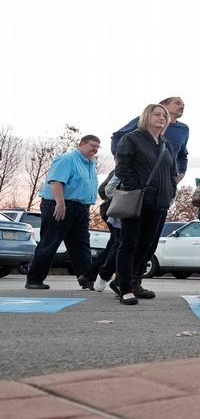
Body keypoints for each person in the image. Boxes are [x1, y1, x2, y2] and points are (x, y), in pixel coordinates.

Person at [113, 104, 178, 305]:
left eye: (164, 115)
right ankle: (125, 288)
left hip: (160, 202)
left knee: (148, 245)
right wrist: (136, 188)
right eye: (157, 114)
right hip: (137, 200)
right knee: (129, 243)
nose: (162, 117)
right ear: (146, 117)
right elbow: (122, 167)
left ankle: (135, 281)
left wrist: (171, 191)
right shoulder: (131, 139)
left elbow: (171, 172)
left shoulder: (166, 144)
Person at [24, 136, 101, 291]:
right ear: (81, 144)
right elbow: (56, 181)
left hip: (81, 208)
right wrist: (60, 203)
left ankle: (87, 279)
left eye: (98, 147)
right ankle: (34, 280)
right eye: (92, 145)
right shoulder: (67, 159)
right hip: (60, 205)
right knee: (50, 242)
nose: (95, 149)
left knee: (81, 245)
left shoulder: (90, 164)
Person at [112, 96, 189, 184]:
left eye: (183, 105)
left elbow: (182, 154)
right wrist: (118, 159)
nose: (182, 106)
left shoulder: (184, 129)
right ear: (164, 105)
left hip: (165, 181)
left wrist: (181, 173)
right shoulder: (144, 120)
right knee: (115, 194)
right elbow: (117, 137)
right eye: (178, 103)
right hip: (135, 176)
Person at [82, 172, 120, 292]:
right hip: (115, 209)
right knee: (117, 244)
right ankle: (102, 275)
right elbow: (103, 190)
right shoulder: (120, 167)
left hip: (114, 209)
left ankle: (90, 275)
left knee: (113, 245)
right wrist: (120, 195)